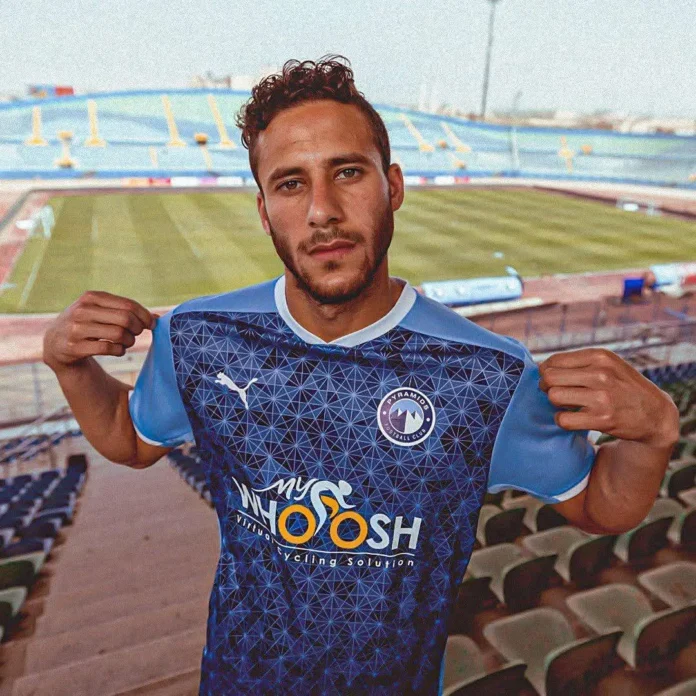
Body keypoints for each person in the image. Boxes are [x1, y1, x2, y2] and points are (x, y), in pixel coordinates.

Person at [43, 55, 679, 696]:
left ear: (392, 186)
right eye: (291, 184)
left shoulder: (488, 376)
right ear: (264, 211)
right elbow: (131, 438)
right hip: (235, 680)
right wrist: (68, 364)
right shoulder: (197, 338)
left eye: (347, 172)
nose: (322, 210)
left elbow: (598, 505)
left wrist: (654, 432)